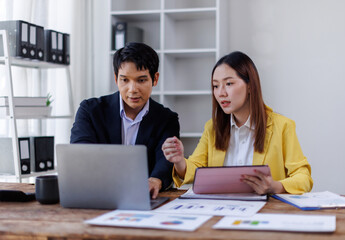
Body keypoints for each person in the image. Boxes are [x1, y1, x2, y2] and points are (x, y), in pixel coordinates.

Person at [162, 51, 313, 195]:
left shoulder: (282, 126)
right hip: (223, 209)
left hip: (265, 211)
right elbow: (195, 169)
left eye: (228, 84)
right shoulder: (212, 128)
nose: (221, 93)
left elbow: (304, 177)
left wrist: (274, 186)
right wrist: (179, 160)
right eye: (215, 86)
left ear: (250, 85)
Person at [70, 42, 180, 198]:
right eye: (125, 80)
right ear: (116, 79)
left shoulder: (167, 119)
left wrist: (156, 180)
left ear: (155, 79)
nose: (132, 89)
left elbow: (165, 160)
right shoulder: (90, 110)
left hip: (143, 197)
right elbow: (80, 152)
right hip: (96, 193)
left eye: (141, 80)